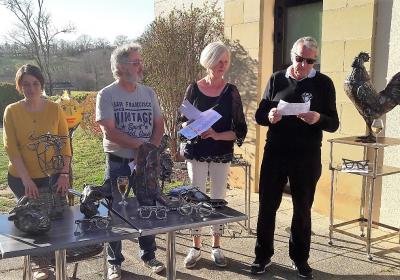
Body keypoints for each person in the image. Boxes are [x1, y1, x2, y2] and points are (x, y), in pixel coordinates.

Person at [251, 36, 339, 279]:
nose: (303, 65)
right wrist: (269, 116)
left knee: (303, 209)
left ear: (315, 61)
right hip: (276, 153)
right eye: (299, 58)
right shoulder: (276, 78)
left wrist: (318, 118)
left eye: (310, 61)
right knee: (267, 206)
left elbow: (334, 123)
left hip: (306, 157)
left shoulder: (323, 83)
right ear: (292, 55)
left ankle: (300, 259)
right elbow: (259, 114)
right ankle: (262, 256)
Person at [96, 43, 165, 280]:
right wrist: (141, 147)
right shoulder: (106, 94)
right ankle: (114, 261)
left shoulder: (149, 93)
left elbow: (159, 123)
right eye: (136, 62)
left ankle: (149, 255)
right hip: (119, 162)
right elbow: (110, 132)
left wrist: (149, 150)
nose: (140, 66)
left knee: (148, 207)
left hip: (145, 162)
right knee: (116, 209)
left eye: (139, 61)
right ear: (121, 67)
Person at [180, 41, 247, 269]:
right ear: (209, 60)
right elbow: (182, 125)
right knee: (195, 198)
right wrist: (195, 126)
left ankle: (216, 246)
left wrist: (217, 135)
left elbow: (240, 129)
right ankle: (195, 246)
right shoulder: (193, 88)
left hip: (220, 152)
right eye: (219, 60)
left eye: (226, 61)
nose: (223, 65)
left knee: (218, 199)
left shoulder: (231, 92)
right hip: (196, 152)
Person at [3, 64, 72, 280]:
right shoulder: (12, 111)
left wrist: (64, 174)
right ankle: (40, 266)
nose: (31, 88)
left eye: (35, 84)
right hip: (21, 177)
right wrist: (26, 180)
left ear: (41, 85)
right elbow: (11, 148)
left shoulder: (54, 109)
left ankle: (56, 262)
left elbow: (65, 144)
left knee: (55, 219)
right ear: (19, 86)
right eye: (25, 84)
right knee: (31, 221)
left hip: (51, 176)